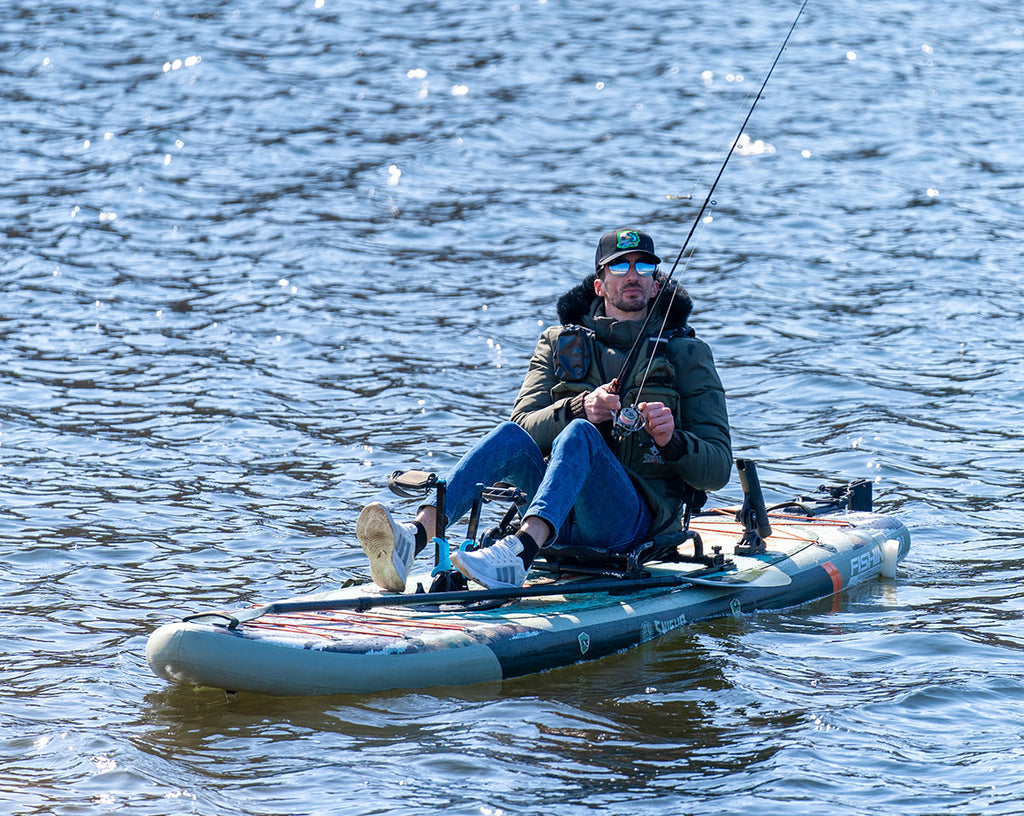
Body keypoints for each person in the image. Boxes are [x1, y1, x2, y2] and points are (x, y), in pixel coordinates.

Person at [356, 227, 732, 591]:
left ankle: (518, 554)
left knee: (580, 435)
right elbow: (523, 425)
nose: (632, 275)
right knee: (510, 435)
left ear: (655, 284)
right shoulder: (557, 343)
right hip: (558, 516)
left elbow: (717, 470)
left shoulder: (688, 353)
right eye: (619, 266)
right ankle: (415, 537)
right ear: (600, 285)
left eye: (643, 267)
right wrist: (578, 406)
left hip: (631, 526)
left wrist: (672, 441)